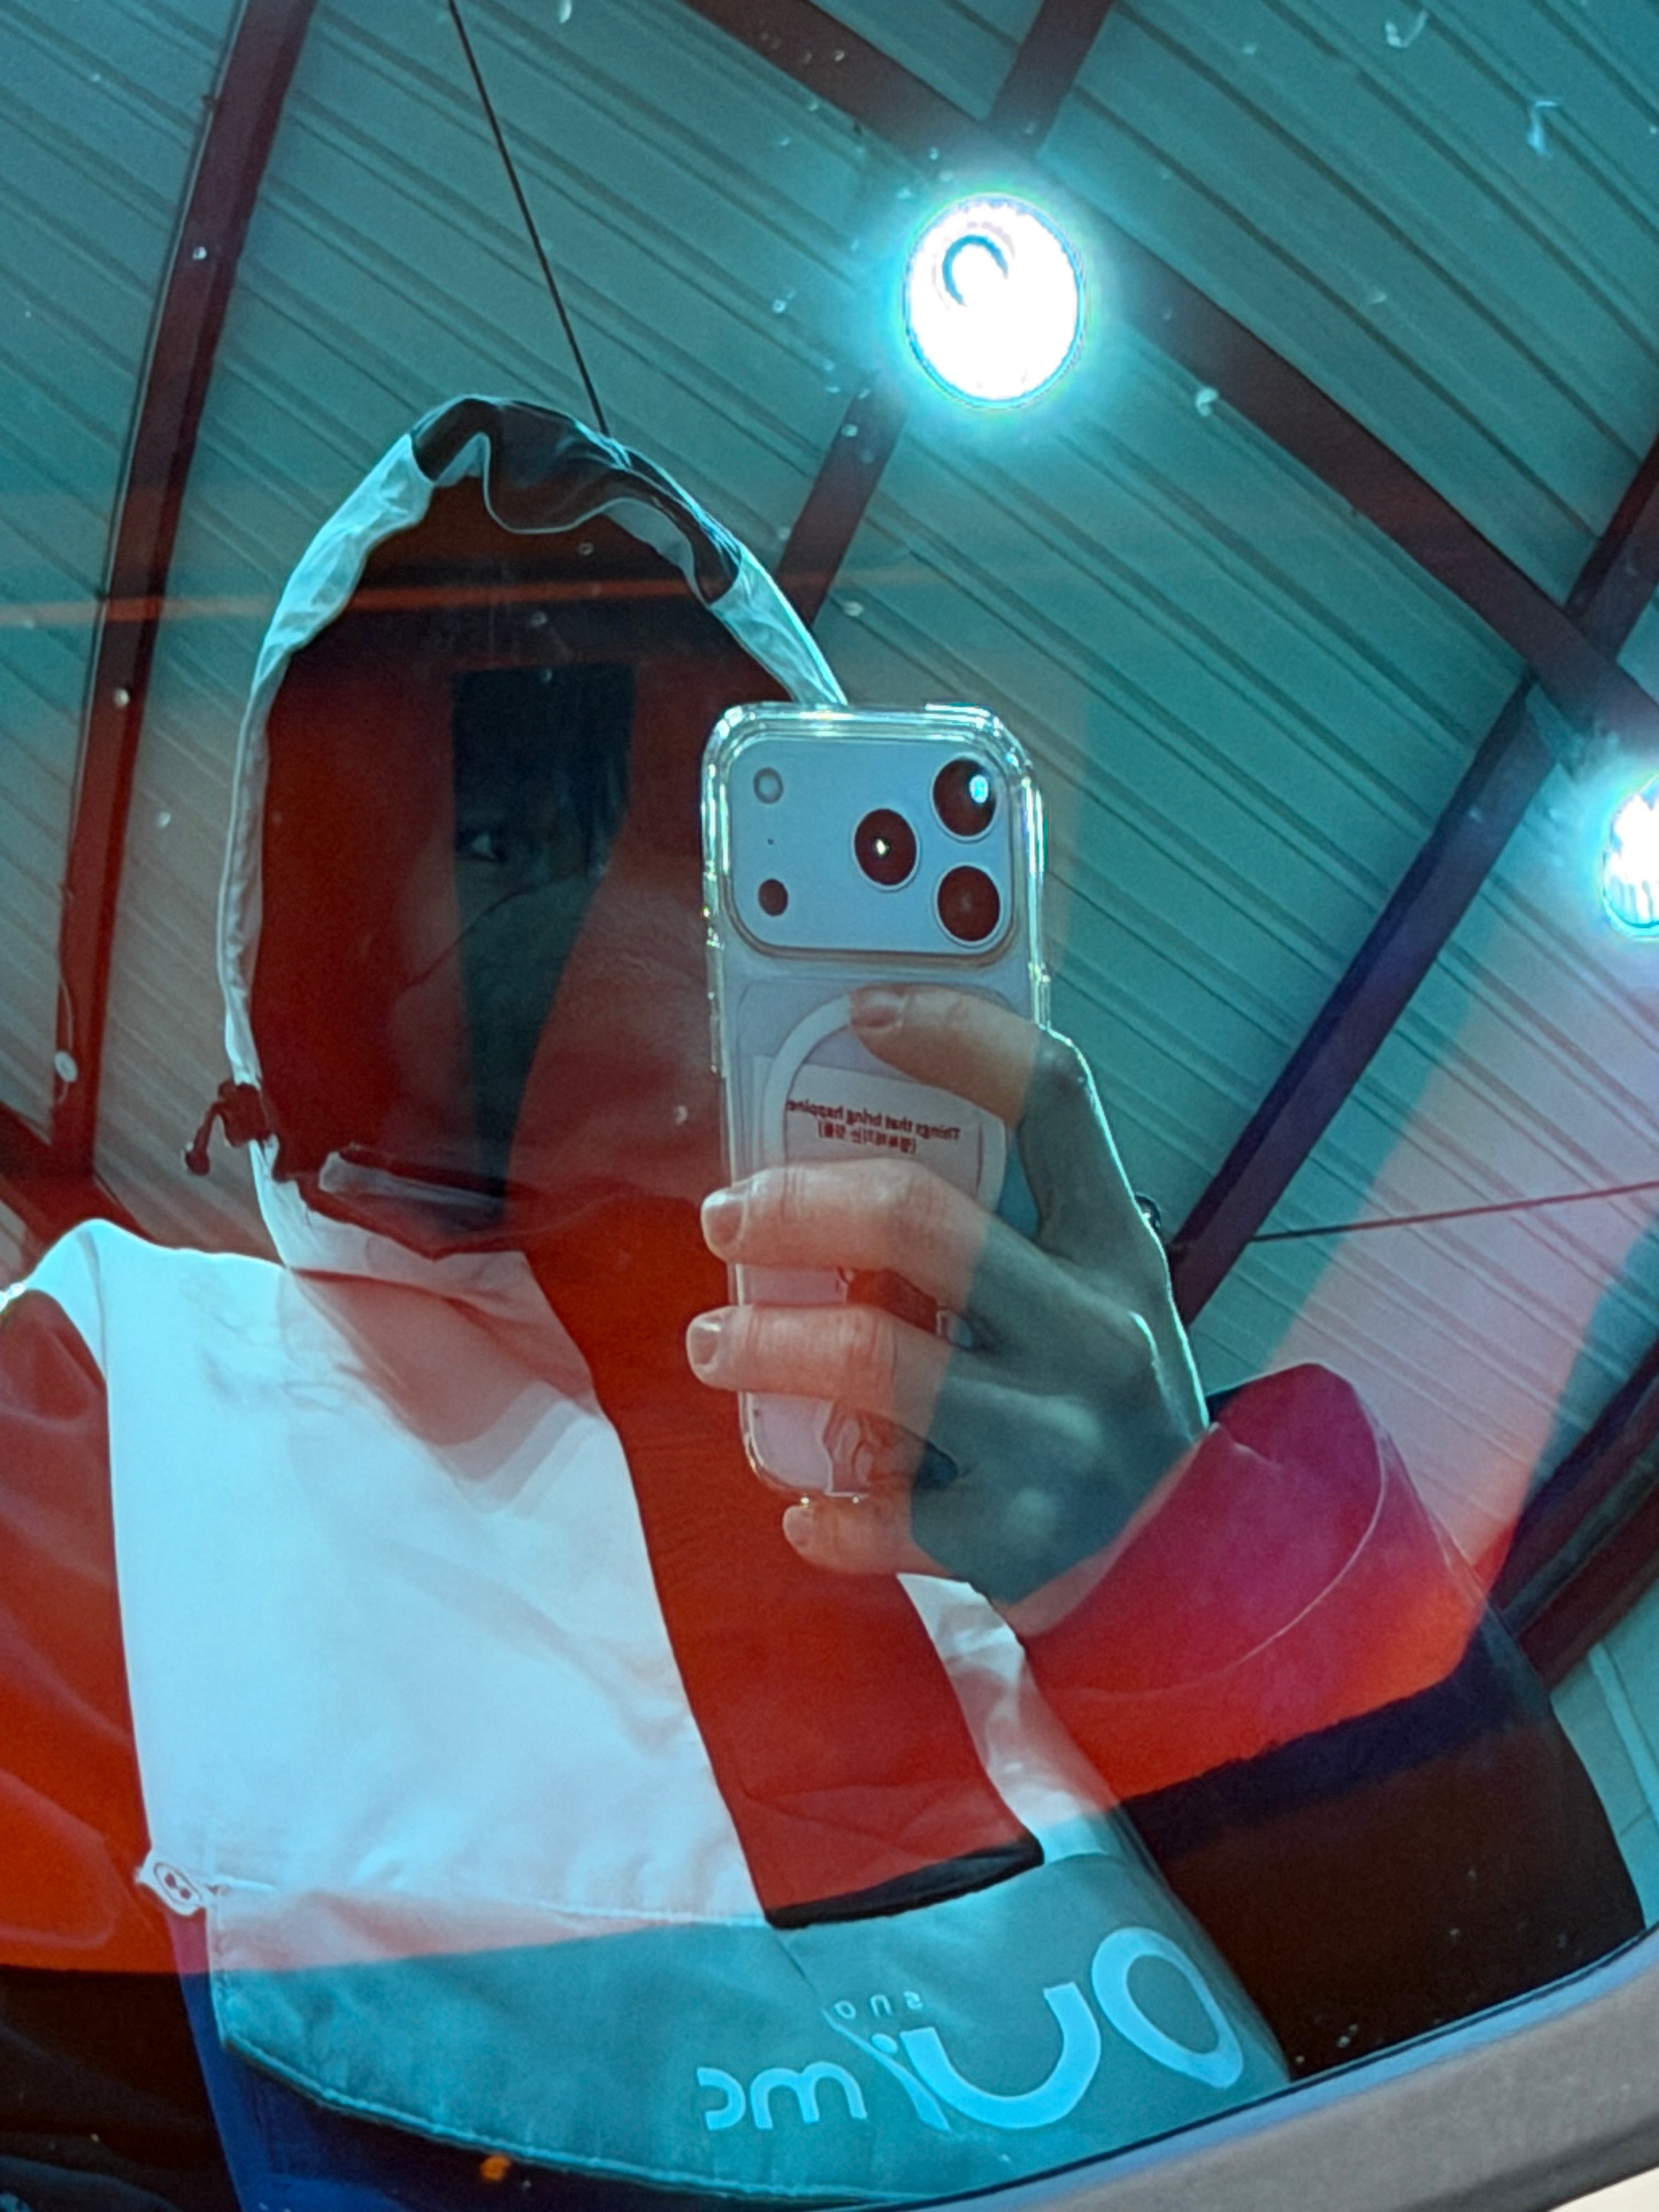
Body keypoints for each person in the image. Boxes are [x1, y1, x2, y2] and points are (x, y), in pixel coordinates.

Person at [0, 401, 1638, 2212]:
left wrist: (1188, 1571)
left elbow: (1560, 2091)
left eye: (682, 829)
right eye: (496, 822)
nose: (583, 896)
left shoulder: (1056, 1500)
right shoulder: (115, 1399)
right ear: (339, 935)